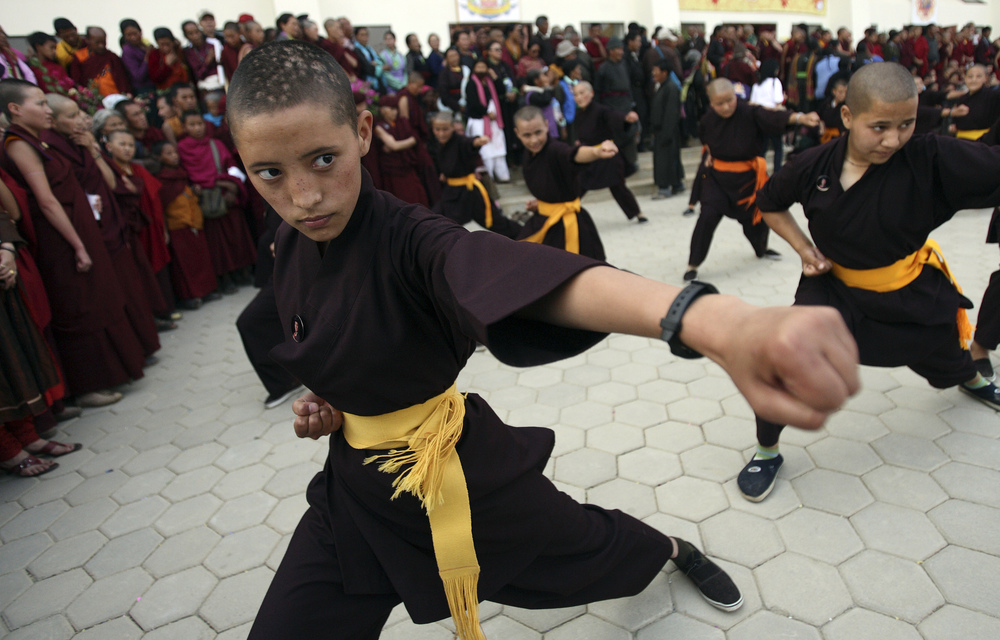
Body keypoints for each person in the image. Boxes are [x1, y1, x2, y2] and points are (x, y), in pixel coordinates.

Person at [225, 41, 859, 640]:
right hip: (355, 494)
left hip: (458, 477)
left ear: (362, 132)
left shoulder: (414, 239)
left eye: (323, 159)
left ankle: (668, 548)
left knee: (585, 549)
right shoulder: (287, 241)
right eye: (270, 173)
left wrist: (713, 321)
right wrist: (338, 401)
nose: (302, 195)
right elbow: (336, 337)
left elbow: (510, 274)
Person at [738, 62, 1000, 502]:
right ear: (846, 117)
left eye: (906, 124)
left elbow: (991, 165)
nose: (894, 139)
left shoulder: (930, 158)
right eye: (879, 126)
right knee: (787, 357)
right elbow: (770, 203)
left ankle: (969, 378)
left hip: (907, 286)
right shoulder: (812, 165)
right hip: (833, 289)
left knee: (941, 347)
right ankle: (767, 449)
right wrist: (805, 250)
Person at [1, 79, 147, 406]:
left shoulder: (40, 141)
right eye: (38, 103)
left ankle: (112, 372)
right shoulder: (18, 143)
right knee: (78, 307)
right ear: (14, 109)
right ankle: (87, 386)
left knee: (96, 299)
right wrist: (78, 245)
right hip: (60, 240)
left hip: (78, 228)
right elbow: (47, 200)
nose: (45, 110)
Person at [683, 78, 819, 282]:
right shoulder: (708, 119)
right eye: (719, 103)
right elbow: (705, 138)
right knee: (708, 216)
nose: (726, 106)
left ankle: (761, 249)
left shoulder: (749, 112)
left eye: (730, 100)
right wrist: (709, 152)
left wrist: (800, 118)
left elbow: (773, 117)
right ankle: (693, 263)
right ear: (711, 103)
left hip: (748, 180)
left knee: (756, 221)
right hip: (717, 179)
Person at [176, 110, 256, 293]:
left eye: (200, 124)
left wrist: (232, 186)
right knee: (217, 242)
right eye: (192, 125)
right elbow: (189, 175)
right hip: (207, 199)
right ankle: (225, 278)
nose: (197, 128)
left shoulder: (216, 144)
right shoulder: (183, 148)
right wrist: (213, 183)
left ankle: (243, 271)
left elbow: (231, 166)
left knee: (237, 234)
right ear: (184, 127)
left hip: (226, 194)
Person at [513, 105, 607, 259]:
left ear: (546, 125)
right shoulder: (529, 154)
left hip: (569, 224)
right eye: (527, 135)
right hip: (543, 219)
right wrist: (542, 203)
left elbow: (573, 154)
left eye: (538, 132)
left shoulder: (555, 149)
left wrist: (596, 151)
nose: (534, 140)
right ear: (517, 133)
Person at [104, 129, 176, 328]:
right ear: (108, 147)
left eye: (130, 145)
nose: (128, 149)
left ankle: (162, 311)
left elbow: (155, 201)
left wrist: (164, 229)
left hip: (149, 228)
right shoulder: (109, 171)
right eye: (122, 145)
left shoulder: (138, 170)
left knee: (155, 270)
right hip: (130, 231)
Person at [429, 111, 520, 238]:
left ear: (452, 127)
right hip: (451, 194)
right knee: (436, 222)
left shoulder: (459, 140)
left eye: (445, 129)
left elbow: (469, 143)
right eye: (437, 129)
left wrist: (478, 141)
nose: (441, 133)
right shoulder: (439, 145)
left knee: (497, 223)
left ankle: (524, 236)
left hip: (470, 192)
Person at [153, 141, 219, 309]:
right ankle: (191, 296)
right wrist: (165, 231)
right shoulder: (161, 180)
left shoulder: (182, 174)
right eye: (168, 153)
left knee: (201, 258)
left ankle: (207, 290)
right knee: (185, 265)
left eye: (175, 152)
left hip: (194, 222)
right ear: (159, 157)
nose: (174, 156)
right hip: (178, 226)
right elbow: (162, 207)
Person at [571, 81, 645, 223]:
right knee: (577, 186)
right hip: (589, 156)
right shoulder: (579, 115)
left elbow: (613, 116)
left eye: (582, 93)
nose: (579, 97)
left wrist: (626, 118)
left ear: (591, 93)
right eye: (576, 94)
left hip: (607, 156)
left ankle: (638, 213)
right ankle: (565, 213)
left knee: (618, 186)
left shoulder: (601, 110)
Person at [373, 94, 428, 206]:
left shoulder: (401, 123)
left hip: (407, 167)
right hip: (393, 171)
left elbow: (413, 139)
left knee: (417, 197)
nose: (395, 112)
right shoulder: (379, 127)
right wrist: (409, 141)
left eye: (396, 109)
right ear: (382, 110)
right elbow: (395, 146)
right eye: (391, 109)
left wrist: (408, 141)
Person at [464, 59, 509, 182]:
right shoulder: (471, 83)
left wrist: (495, 77)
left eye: (484, 67)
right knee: (485, 150)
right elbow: (472, 103)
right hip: (480, 121)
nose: (481, 70)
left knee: (498, 148)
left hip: (494, 121)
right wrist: (486, 113)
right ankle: (489, 178)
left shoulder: (489, 82)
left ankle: (503, 176)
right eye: (478, 67)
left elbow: (502, 91)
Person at [649, 59, 684, 200]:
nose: (653, 73)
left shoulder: (671, 87)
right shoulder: (662, 86)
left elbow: (671, 113)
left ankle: (665, 187)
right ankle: (677, 184)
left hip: (667, 130)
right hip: (660, 129)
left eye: (656, 70)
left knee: (666, 159)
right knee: (667, 158)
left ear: (664, 72)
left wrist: (667, 132)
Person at [68, 27, 132, 98]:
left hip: (116, 96)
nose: (101, 46)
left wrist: (126, 93)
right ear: (87, 40)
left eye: (103, 42)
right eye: (97, 43)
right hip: (93, 98)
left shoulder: (112, 57)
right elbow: (76, 80)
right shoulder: (80, 56)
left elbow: (122, 79)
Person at [748, 59, 785, 171]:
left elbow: (752, 103)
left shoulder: (756, 85)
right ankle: (777, 172)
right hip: (773, 118)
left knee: (762, 149)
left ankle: (760, 171)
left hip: (760, 119)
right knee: (778, 148)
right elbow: (778, 101)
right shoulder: (775, 82)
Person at [952, 64, 1000, 140]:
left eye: (979, 76)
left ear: (986, 78)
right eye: (970, 76)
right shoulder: (961, 99)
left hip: (982, 143)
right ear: (965, 78)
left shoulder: (993, 96)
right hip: (960, 140)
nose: (973, 80)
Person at [182, 20, 224, 94]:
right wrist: (208, 60)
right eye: (190, 34)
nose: (195, 36)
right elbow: (199, 74)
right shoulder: (189, 52)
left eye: (197, 32)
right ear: (186, 36)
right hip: (207, 88)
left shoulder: (213, 44)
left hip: (223, 82)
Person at [148, 28, 191, 92]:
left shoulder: (179, 52)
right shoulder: (154, 55)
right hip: (167, 91)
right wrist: (167, 65)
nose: (165, 48)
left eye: (167, 44)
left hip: (185, 88)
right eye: (162, 45)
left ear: (173, 42)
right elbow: (155, 78)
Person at [119, 19, 152, 94]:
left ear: (140, 32)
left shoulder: (145, 44)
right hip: (143, 89)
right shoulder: (128, 51)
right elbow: (138, 76)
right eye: (129, 35)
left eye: (135, 33)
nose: (133, 37)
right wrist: (147, 58)